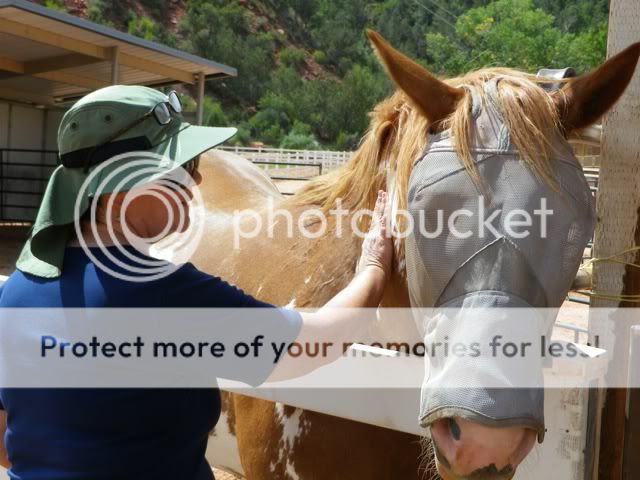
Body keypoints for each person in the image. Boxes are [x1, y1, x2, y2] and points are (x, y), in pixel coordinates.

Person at [0, 86, 392, 479]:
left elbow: (6, 441)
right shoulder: (167, 295)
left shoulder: (15, 293)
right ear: (116, 194)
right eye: (179, 168)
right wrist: (373, 268)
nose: (197, 178)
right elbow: (310, 344)